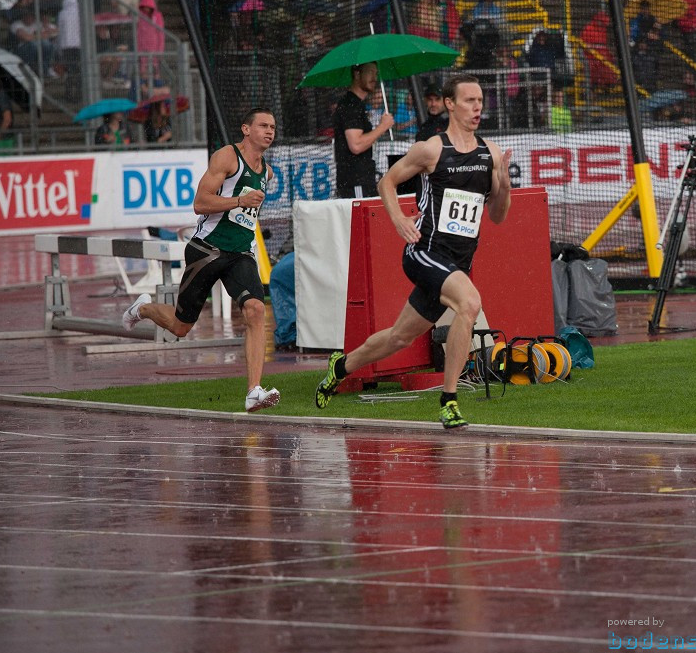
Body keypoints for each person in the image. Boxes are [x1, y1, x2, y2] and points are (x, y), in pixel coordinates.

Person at [314, 74, 513, 429]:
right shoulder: (431, 149)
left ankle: (340, 366)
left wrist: (505, 188)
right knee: (469, 303)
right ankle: (449, 400)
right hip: (424, 253)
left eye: (480, 100)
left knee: (400, 337)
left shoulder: (491, 154)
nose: (477, 107)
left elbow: (497, 216)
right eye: (469, 100)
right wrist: (397, 220)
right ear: (450, 104)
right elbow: (386, 181)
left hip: (457, 263)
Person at [121, 108, 281, 413]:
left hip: (240, 254)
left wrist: (246, 208)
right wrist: (239, 201)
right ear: (246, 129)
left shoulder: (267, 172)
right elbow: (199, 203)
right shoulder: (227, 157)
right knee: (181, 328)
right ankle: (142, 307)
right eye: (263, 125)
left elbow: (246, 216)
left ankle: (254, 391)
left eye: (273, 127)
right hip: (207, 250)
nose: (270, 131)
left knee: (256, 310)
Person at [333, 62, 394, 199]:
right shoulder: (351, 105)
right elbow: (356, 145)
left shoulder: (358, 105)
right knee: (362, 220)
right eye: (370, 72)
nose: (374, 77)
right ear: (357, 74)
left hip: (361, 178)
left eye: (376, 73)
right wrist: (383, 127)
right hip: (355, 180)